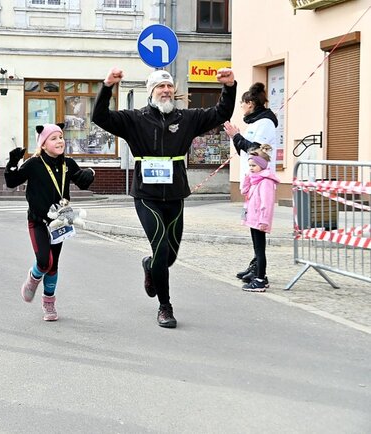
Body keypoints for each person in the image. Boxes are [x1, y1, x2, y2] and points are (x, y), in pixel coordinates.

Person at [91, 67, 236, 328]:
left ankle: (150, 266)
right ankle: (165, 306)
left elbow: (221, 113)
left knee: (169, 256)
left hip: (175, 194)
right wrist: (108, 86)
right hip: (146, 195)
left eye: (169, 86)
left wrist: (229, 87)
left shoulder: (187, 118)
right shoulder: (135, 119)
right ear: (151, 92)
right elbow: (100, 117)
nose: (166, 90)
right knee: (160, 246)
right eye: (160, 86)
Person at [5, 123, 95, 321]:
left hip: (60, 222)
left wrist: (90, 173)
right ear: (43, 144)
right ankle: (33, 277)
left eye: (61, 137)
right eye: (53, 138)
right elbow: (11, 182)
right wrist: (12, 163)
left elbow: (82, 181)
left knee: (54, 265)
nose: (59, 141)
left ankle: (49, 303)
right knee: (44, 261)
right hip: (38, 221)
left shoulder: (68, 164)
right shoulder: (33, 164)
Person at [223, 82, 279, 280]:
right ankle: (255, 265)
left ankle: (260, 273)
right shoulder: (255, 123)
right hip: (252, 181)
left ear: (250, 103)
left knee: (257, 228)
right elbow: (246, 152)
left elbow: (258, 153)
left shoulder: (265, 123)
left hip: (261, 182)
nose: (241, 106)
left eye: (242, 103)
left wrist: (236, 136)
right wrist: (235, 138)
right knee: (253, 226)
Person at [239, 145, 280, 292]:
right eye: (250, 165)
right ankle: (259, 275)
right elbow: (244, 191)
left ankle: (260, 280)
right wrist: (247, 177)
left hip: (260, 221)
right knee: (257, 249)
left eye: (253, 166)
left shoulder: (266, 182)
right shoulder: (255, 179)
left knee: (260, 250)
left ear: (262, 165)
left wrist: (264, 221)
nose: (251, 168)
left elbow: (267, 203)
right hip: (253, 219)